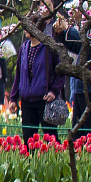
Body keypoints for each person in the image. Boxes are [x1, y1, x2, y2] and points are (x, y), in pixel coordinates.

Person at [12, 11, 58, 141]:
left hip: (45, 100)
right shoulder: (24, 47)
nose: (26, 29)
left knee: (51, 139)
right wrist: (13, 98)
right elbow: (19, 74)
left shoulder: (49, 46)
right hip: (27, 101)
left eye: (30, 25)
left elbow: (60, 73)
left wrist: (54, 91)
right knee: (28, 140)